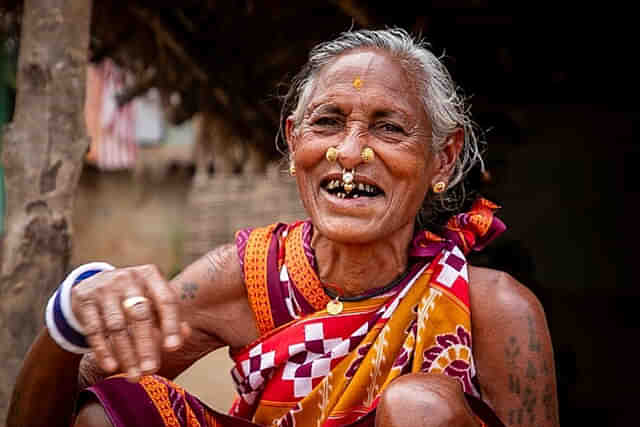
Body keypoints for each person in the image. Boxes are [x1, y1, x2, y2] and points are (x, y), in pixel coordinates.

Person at [8, 28, 559, 427]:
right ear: (295, 142)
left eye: (388, 127)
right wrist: (69, 318)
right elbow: (56, 412)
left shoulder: (493, 310)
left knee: (419, 409)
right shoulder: (249, 279)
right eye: (328, 122)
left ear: (443, 158)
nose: (349, 153)